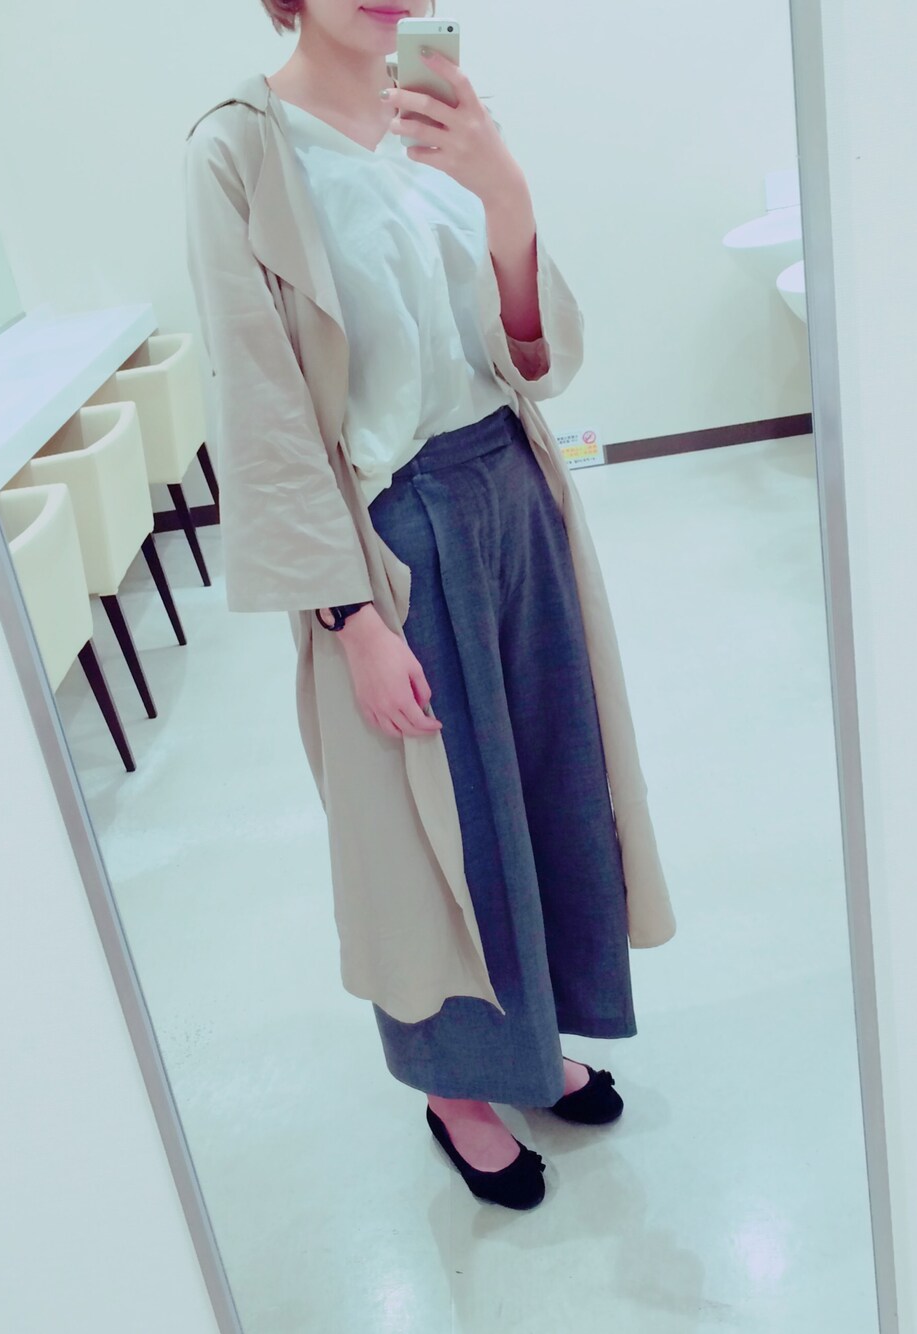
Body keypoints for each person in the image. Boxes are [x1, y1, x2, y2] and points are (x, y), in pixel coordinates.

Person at [183, 0, 675, 1211]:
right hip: (386, 530)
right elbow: (260, 405)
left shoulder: (444, 117)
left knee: (547, 788)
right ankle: (458, 1089)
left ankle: (532, 1044)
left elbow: (533, 353)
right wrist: (348, 619)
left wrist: (504, 191)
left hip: (513, 486)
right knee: (426, 836)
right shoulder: (240, 148)